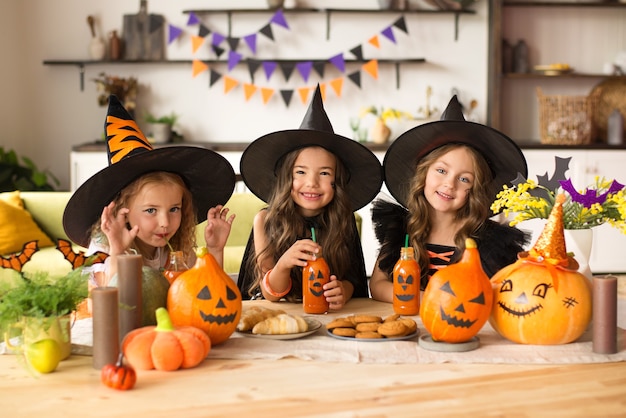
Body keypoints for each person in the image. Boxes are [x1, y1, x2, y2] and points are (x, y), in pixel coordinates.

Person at [62, 95, 236, 287]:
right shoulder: (103, 248)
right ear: (123, 212)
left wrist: (215, 250)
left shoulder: (178, 250)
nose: (165, 223)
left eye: (174, 209)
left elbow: (209, 294)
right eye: (151, 210)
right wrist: (117, 252)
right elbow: (113, 304)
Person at [369, 95, 530, 303]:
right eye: (441, 170)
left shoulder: (489, 242)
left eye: (464, 179)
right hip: (407, 325)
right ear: (423, 174)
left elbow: (500, 296)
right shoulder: (401, 228)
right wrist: (428, 299)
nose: (449, 184)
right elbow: (378, 285)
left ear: (474, 189)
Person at [237, 85, 383, 310]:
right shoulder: (265, 221)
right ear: (287, 177)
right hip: (280, 317)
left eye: (324, 173)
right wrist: (283, 265)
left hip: (328, 316)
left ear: (337, 181)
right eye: (301, 172)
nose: (312, 183)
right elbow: (268, 293)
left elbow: (353, 280)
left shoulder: (343, 219)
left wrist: (342, 291)